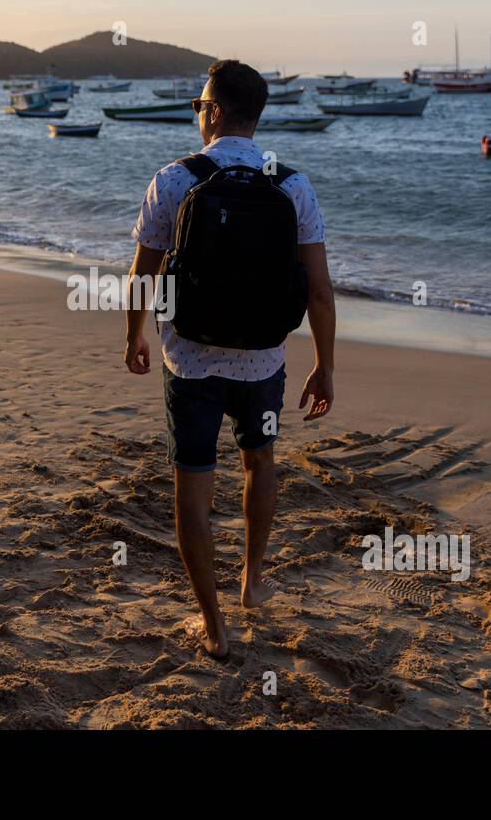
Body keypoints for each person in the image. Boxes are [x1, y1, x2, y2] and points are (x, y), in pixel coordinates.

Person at [124, 59, 336, 658]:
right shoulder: (292, 185)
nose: (198, 114)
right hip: (264, 362)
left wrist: (133, 336)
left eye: (199, 106)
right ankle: (252, 581)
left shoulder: (173, 180)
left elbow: (144, 275)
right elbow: (319, 290)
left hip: (188, 363)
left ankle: (214, 628)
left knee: (193, 485)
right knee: (259, 461)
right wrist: (325, 364)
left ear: (214, 112)